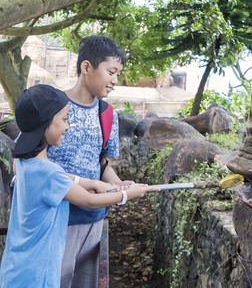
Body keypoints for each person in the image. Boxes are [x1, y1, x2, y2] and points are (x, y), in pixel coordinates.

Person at [0, 84, 158, 287]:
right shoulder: (50, 173)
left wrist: (92, 182)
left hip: (14, 270)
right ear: (46, 124)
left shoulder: (23, 162)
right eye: (64, 120)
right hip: (38, 275)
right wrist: (127, 195)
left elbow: (62, 178)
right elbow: (90, 201)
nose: (67, 127)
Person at [46, 35, 133, 288]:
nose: (115, 80)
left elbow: (104, 166)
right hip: (54, 221)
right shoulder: (51, 106)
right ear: (86, 67)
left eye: (118, 74)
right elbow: (29, 158)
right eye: (111, 72)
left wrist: (118, 185)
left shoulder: (107, 114)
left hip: (93, 220)